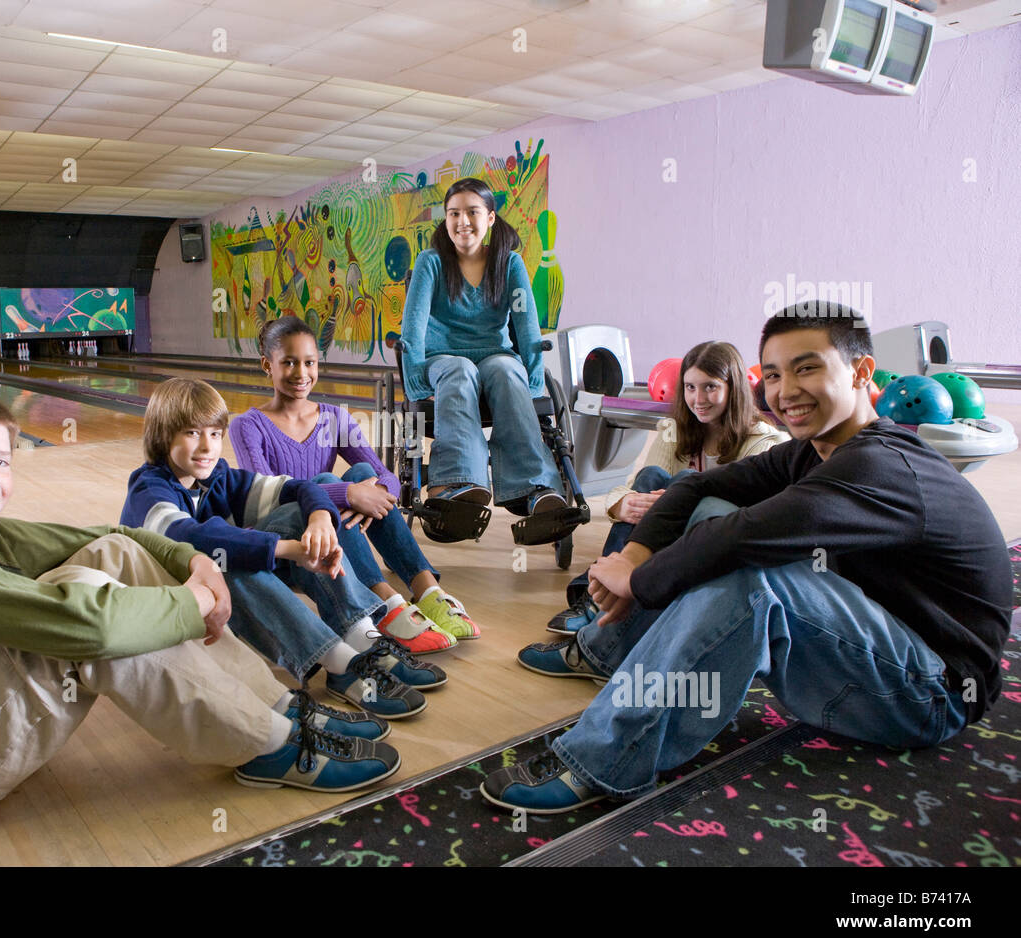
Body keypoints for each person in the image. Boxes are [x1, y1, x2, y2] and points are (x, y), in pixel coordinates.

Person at [483, 303, 1012, 814]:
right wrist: (635, 554)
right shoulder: (816, 449)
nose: (786, 392)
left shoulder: (881, 466)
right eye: (776, 375)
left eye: (807, 368)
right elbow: (694, 489)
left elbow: (744, 538)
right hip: (880, 635)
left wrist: (638, 578)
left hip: (931, 692)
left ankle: (604, 759)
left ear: (860, 372)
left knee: (753, 578)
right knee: (714, 504)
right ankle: (605, 653)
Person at [0, 384, 400, 824]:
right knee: (93, 615)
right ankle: (268, 745)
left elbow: (111, 535)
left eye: (1, 461)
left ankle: (277, 706)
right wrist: (194, 600)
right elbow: (85, 626)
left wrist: (191, 562)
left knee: (109, 554)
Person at [121, 378, 449, 722]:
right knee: (227, 561)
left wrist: (321, 517)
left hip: (210, 592)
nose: (207, 446)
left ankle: (365, 641)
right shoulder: (149, 488)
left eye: (215, 434)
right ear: (162, 435)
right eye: (191, 433)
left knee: (297, 514)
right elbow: (195, 538)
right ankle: (340, 664)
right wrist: (291, 549)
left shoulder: (217, 479)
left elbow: (297, 488)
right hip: (164, 607)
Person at [229, 315, 481, 651]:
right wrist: (346, 493)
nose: (301, 373)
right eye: (288, 362)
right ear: (267, 365)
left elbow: (386, 475)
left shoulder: (334, 417)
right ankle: (383, 603)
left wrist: (371, 492)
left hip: (328, 529)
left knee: (364, 473)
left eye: (309, 362)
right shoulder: (248, 425)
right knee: (329, 482)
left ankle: (427, 591)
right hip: (282, 539)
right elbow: (268, 493)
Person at [545, 341, 788, 636]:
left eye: (710, 387)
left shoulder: (766, 441)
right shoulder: (675, 429)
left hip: (716, 541)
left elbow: (747, 516)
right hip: (663, 535)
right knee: (650, 475)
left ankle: (597, 598)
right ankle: (594, 598)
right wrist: (624, 504)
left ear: (734, 387)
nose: (698, 398)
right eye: (689, 387)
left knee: (683, 480)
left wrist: (677, 501)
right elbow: (630, 488)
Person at [399, 176, 563, 517]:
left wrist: (532, 381)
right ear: (445, 219)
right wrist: (416, 382)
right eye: (453, 213)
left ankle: (532, 484)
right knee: (460, 369)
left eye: (472, 212)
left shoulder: (509, 263)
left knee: (506, 368)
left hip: (494, 355)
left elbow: (526, 324)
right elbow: (413, 326)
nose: (462, 222)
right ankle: (457, 481)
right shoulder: (431, 262)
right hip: (442, 359)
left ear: (490, 217)